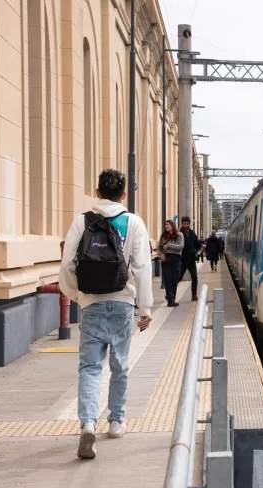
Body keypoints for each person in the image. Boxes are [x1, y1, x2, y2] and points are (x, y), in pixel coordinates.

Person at [59, 168, 153, 460]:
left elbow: (66, 267)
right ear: (124, 195)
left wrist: (78, 296)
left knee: (89, 368)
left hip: (91, 304)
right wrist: (146, 308)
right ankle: (116, 422)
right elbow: (141, 267)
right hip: (123, 303)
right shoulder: (133, 223)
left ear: (97, 192)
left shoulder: (81, 221)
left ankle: (88, 423)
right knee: (120, 365)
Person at [158, 220, 183, 307]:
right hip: (166, 258)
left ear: (172, 225)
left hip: (176, 258)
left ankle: (172, 298)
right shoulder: (163, 235)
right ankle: (170, 300)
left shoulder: (179, 235)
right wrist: (161, 255)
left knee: (174, 280)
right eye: (165, 225)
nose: (166, 226)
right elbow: (159, 247)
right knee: (168, 280)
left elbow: (180, 247)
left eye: (167, 224)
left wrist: (169, 245)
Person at [179, 216, 202, 301]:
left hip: (192, 261)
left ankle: (194, 295)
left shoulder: (192, 234)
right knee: (178, 278)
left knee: (195, 277)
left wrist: (197, 254)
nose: (185, 225)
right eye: (184, 223)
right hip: (182, 261)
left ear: (189, 224)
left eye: (187, 224)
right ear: (182, 223)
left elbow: (200, 246)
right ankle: (171, 296)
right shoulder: (178, 233)